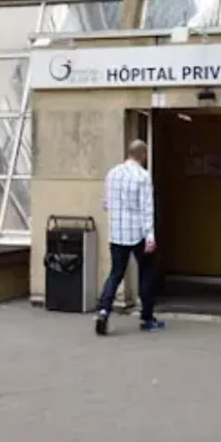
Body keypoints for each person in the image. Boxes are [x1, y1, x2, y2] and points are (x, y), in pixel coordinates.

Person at [95, 139, 165, 336]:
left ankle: (103, 310)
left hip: (116, 233)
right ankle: (147, 318)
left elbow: (106, 204)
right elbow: (147, 208)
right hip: (138, 234)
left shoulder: (112, 173)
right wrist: (150, 236)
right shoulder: (143, 176)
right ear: (143, 155)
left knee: (116, 273)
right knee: (147, 273)